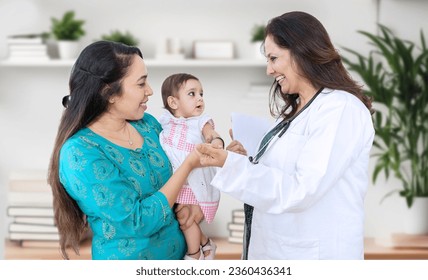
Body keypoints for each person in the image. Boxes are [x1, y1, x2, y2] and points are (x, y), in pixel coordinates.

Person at [196, 11, 375, 260]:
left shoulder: (340, 109)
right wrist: (244, 160)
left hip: (318, 257)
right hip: (278, 253)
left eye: (273, 58)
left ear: (302, 52)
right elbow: (279, 178)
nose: (269, 70)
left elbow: (302, 190)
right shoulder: (293, 113)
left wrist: (231, 165)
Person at [47, 41, 201, 260]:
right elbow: (137, 221)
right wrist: (189, 165)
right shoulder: (80, 153)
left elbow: (178, 182)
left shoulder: (147, 124)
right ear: (109, 93)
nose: (149, 91)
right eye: (141, 84)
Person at [158, 73, 223, 260]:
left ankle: (194, 256)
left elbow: (210, 133)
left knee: (186, 219)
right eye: (192, 94)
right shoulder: (164, 122)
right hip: (176, 182)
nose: (200, 98)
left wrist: (216, 141)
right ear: (173, 102)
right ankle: (205, 244)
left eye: (201, 93)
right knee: (182, 219)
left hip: (194, 183)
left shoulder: (201, 121)